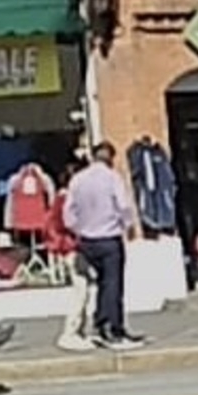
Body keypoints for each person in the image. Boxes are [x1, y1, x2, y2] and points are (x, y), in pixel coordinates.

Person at [61, 141, 144, 348]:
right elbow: (123, 206)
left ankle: (99, 324)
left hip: (86, 241)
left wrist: (78, 229)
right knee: (112, 284)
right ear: (111, 159)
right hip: (109, 239)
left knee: (97, 284)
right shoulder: (112, 178)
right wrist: (129, 226)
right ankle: (113, 328)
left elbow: (68, 213)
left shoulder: (78, 180)